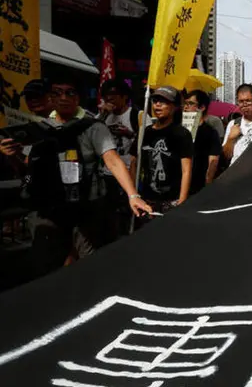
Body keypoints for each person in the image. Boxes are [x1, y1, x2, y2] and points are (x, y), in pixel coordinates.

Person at [1, 75, 151, 275]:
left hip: (85, 209)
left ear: (78, 98)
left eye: (70, 92)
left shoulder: (93, 127)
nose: (63, 97)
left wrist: (133, 195)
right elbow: (28, 170)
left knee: (90, 266)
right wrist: (12, 156)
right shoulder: (37, 130)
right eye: (57, 93)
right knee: (46, 266)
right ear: (50, 98)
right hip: (49, 211)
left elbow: (112, 159)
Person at [129, 86, 192, 216]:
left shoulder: (182, 134)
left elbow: (186, 170)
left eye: (163, 101)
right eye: (155, 100)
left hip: (172, 200)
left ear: (175, 106)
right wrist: (134, 194)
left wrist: (182, 200)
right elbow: (134, 163)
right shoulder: (145, 132)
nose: (157, 104)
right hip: (147, 200)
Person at [98, 79, 139, 237]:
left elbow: (147, 140)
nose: (110, 101)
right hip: (106, 174)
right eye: (107, 97)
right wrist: (103, 115)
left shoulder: (136, 115)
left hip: (129, 171)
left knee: (126, 213)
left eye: (114, 96)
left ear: (124, 97)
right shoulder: (103, 117)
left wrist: (129, 134)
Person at [184, 90, 222, 195]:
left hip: (198, 188)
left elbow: (213, 162)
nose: (186, 107)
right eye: (185, 103)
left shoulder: (210, 133)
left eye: (190, 103)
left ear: (202, 107)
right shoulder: (179, 131)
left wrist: (207, 185)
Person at [223, 84, 252, 166]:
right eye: (241, 101)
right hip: (235, 174)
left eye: (248, 100)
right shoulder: (233, 124)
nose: (244, 104)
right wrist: (230, 139)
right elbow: (227, 156)